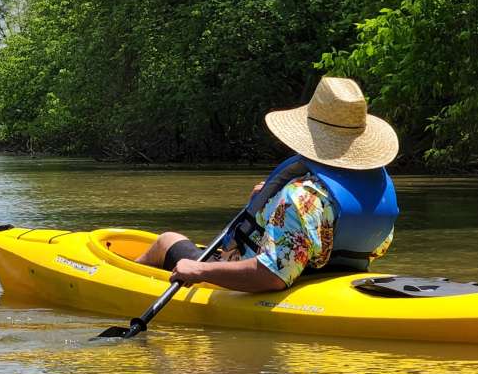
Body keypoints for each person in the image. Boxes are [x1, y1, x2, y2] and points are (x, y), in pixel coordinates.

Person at [135, 76, 400, 293]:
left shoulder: (300, 196)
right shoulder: (380, 187)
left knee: (167, 240)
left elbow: (271, 275)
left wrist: (199, 270)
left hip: (267, 282)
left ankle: (127, 284)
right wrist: (270, 207)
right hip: (333, 279)